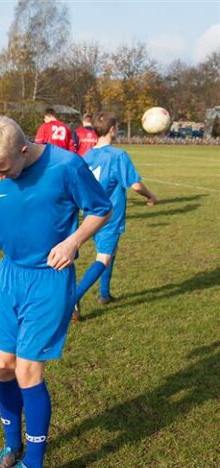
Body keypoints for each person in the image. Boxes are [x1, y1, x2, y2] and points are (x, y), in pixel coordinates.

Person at [0, 116, 111, 468]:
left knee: (27, 371)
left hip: (48, 279)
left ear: (24, 149)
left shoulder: (67, 166)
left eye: (4, 169)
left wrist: (73, 242)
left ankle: (35, 467)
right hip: (9, 277)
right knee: (3, 366)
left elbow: (101, 208)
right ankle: (12, 445)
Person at [72, 112, 157, 321]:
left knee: (111, 251)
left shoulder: (86, 156)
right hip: (109, 215)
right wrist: (151, 195)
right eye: (117, 126)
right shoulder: (118, 155)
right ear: (111, 129)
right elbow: (135, 185)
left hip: (89, 215)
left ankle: (104, 294)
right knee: (104, 258)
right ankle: (71, 302)